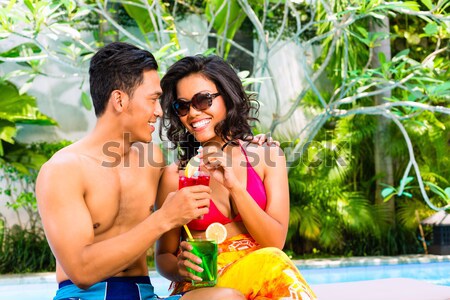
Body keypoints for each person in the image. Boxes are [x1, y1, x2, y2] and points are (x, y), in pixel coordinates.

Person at [36, 42, 246, 300]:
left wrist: (244, 143)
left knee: (225, 298)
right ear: (119, 100)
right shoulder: (63, 170)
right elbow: (81, 271)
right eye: (153, 99)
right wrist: (163, 218)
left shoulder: (152, 160)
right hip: (84, 295)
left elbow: (201, 166)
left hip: (142, 293)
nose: (159, 112)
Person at [155, 55, 317, 299]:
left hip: (263, 274)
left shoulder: (267, 156)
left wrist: (234, 187)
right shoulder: (176, 176)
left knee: (271, 262)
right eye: (183, 106)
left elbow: (274, 242)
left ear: (228, 97)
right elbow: (163, 256)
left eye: (203, 100)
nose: (193, 113)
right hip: (205, 287)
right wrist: (179, 269)